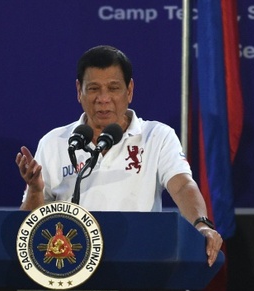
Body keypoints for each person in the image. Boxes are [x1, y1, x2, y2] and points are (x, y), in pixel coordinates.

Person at [15, 45, 222, 266]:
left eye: (113, 88)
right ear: (79, 91)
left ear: (129, 90)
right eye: (93, 88)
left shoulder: (157, 136)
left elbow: (182, 186)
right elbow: (31, 226)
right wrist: (35, 190)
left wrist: (201, 224)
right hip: (70, 266)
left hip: (139, 265)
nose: (103, 99)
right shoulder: (54, 142)